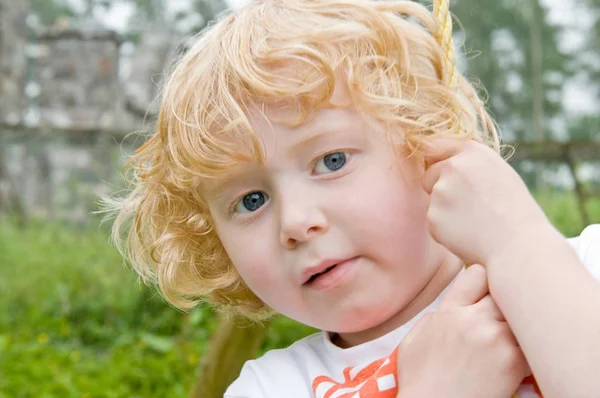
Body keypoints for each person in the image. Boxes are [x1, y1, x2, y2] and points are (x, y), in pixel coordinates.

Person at [106, 0, 600, 397]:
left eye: (333, 161)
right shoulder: (272, 389)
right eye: (252, 200)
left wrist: (518, 244)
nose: (296, 223)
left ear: (422, 138)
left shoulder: (586, 269)